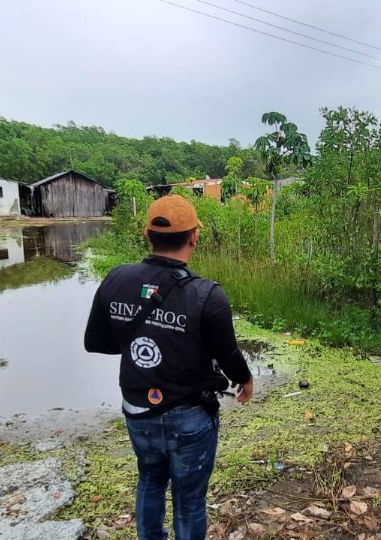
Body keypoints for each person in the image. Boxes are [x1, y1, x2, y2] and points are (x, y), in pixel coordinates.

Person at [84, 194, 253, 540]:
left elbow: (96, 343)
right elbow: (228, 353)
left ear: (147, 235)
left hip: (137, 409)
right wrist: (245, 379)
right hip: (189, 416)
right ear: (194, 237)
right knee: (189, 500)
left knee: (150, 480)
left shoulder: (116, 279)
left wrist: (146, 338)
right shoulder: (208, 294)